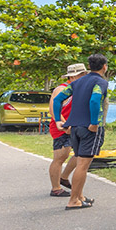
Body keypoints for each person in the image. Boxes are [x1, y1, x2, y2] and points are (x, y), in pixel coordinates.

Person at [56, 53, 109, 210]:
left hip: (74, 128)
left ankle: (79, 196)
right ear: (104, 67)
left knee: (79, 161)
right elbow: (94, 100)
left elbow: (59, 99)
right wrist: (94, 123)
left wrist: (59, 120)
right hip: (89, 128)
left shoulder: (77, 82)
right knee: (83, 166)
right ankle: (73, 201)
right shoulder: (101, 82)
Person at [47, 63, 86, 197]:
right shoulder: (61, 89)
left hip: (75, 126)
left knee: (81, 153)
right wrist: (64, 125)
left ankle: (64, 177)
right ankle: (55, 188)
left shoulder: (79, 89)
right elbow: (53, 109)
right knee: (60, 156)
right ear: (74, 76)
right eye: (81, 75)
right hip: (61, 126)